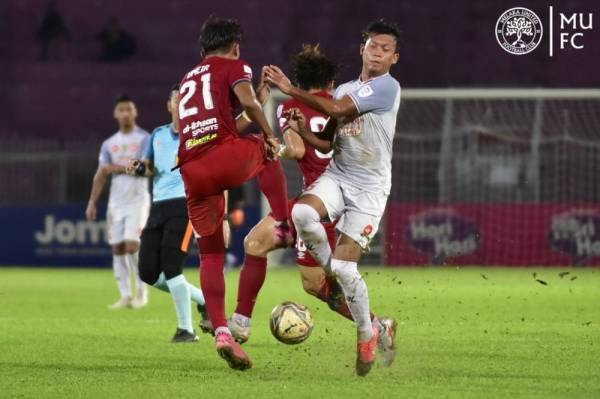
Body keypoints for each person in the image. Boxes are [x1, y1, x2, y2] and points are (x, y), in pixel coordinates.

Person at [230, 45, 391, 348]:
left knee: (316, 285)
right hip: (338, 202)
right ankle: (240, 323)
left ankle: (376, 328)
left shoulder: (288, 106)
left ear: (300, 83)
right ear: (331, 84)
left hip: (322, 206)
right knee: (256, 243)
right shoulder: (346, 105)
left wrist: (274, 148)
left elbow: (297, 150)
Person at [265, 19, 401, 376]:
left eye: (385, 49)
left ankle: (369, 333)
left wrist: (290, 89)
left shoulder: (387, 88)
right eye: (373, 45)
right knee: (302, 216)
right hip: (338, 176)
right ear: (362, 49)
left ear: (394, 58)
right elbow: (328, 141)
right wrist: (299, 129)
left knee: (344, 268)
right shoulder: (345, 87)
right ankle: (336, 276)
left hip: (370, 190)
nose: (378, 52)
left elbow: (339, 111)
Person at [177, 16, 280, 371]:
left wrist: (254, 111)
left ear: (202, 48)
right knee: (268, 152)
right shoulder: (236, 65)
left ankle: (222, 330)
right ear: (235, 46)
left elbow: (222, 129)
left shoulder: (189, 77)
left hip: (192, 169)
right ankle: (284, 223)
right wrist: (269, 133)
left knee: (210, 254)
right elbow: (249, 104)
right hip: (221, 158)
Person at [126, 85, 210, 343]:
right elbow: (150, 167)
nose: (181, 101)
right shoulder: (158, 134)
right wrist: (139, 168)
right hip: (159, 206)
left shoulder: (197, 135)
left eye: (185, 98)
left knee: (172, 267)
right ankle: (204, 300)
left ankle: (186, 330)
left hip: (184, 206)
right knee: (147, 273)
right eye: (177, 97)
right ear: (170, 104)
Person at [86, 95, 150, 309]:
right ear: (115, 113)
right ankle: (125, 296)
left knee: (133, 245)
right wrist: (92, 202)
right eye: (121, 110)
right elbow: (100, 173)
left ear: (135, 112)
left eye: (128, 109)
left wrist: (115, 168)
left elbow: (144, 169)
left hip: (138, 200)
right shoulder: (109, 144)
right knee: (118, 248)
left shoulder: (144, 139)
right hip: (116, 202)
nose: (125, 113)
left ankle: (142, 290)